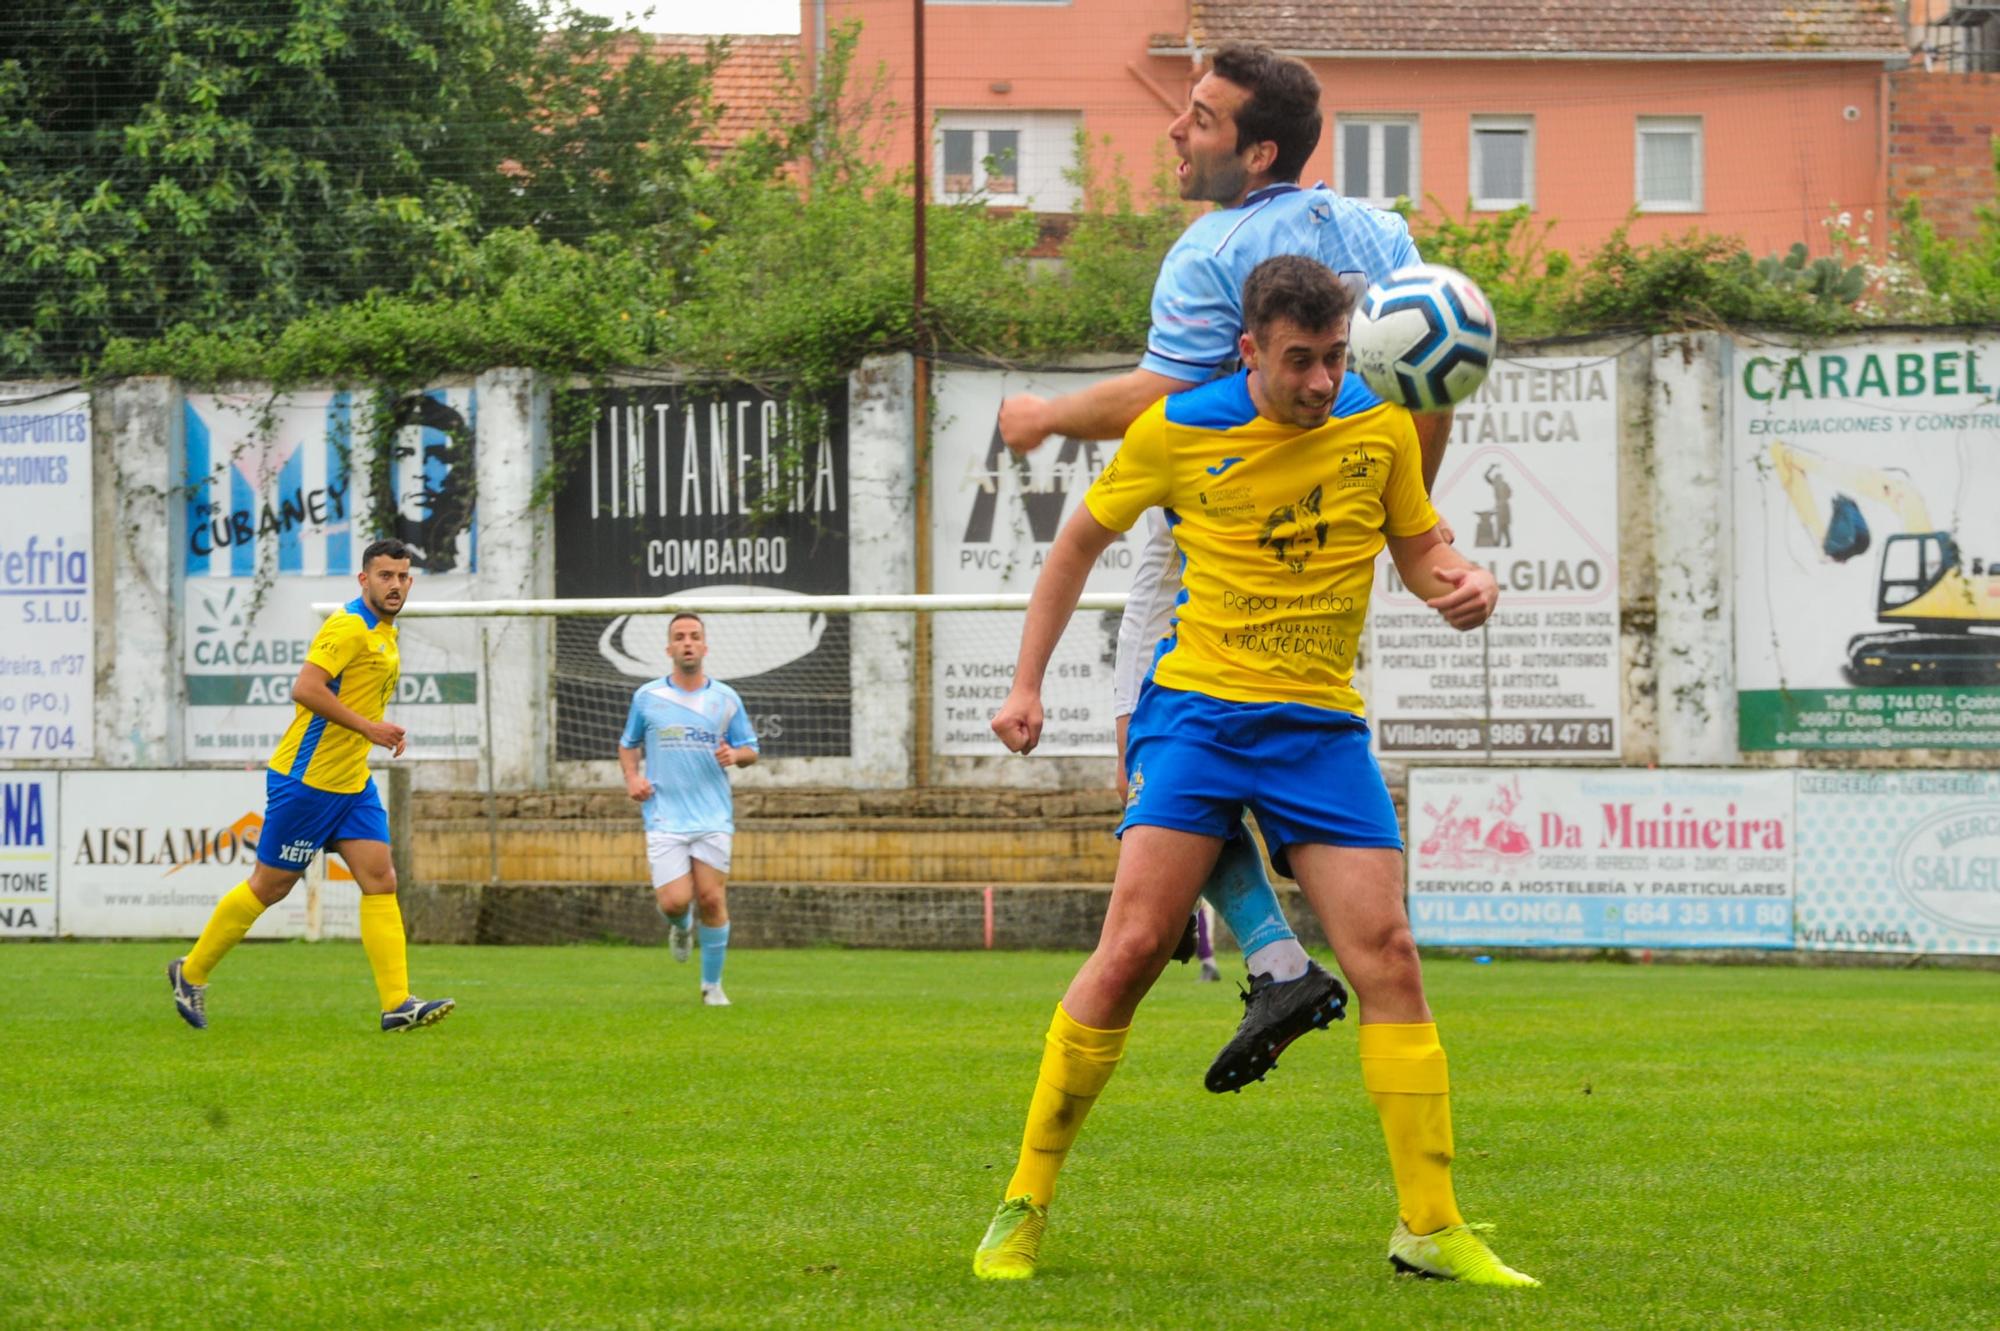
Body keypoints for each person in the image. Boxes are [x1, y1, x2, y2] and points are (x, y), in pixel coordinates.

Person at [972, 256, 1536, 1288]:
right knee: (1134, 945)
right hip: (1194, 715)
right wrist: (1025, 683)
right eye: (1297, 362)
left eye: (1331, 357)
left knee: (1389, 955)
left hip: (1318, 728)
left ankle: (1430, 1225)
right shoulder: (1177, 429)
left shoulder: (1376, 421)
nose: (1321, 381)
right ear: (1248, 351)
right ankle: (1023, 1199)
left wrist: (1466, 581)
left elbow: (1416, 551)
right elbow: (1075, 546)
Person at [1008, 42, 1457, 1088]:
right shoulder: (1379, 233)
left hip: (1212, 522)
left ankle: (1272, 953)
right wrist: (1415, 532)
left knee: (1148, 754)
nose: (1175, 129)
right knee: (1253, 739)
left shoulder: (1210, 249)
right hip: (1334, 524)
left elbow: (1152, 400)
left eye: (1199, 118)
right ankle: (1274, 956)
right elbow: (1421, 383)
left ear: (1256, 151)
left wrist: (1044, 413)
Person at [167, 538, 454, 1033]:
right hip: (307, 781)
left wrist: (367, 736)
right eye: (385, 575)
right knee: (270, 887)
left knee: (381, 879)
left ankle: (397, 1004)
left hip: (351, 783)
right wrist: (370, 729)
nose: (396, 585)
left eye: (403, 576)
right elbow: (304, 688)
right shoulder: (347, 625)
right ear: (363, 579)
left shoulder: (387, 631)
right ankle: (189, 973)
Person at [619, 612, 759, 1007]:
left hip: (713, 816)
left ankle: (711, 986)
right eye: (679, 636)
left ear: (704, 646)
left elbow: (752, 749)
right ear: (669, 648)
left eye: (694, 636)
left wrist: (737, 754)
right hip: (664, 814)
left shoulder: (726, 698)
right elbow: (628, 743)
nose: (687, 642)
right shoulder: (647, 698)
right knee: (675, 901)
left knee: (712, 899)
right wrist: (632, 778)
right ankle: (680, 928)